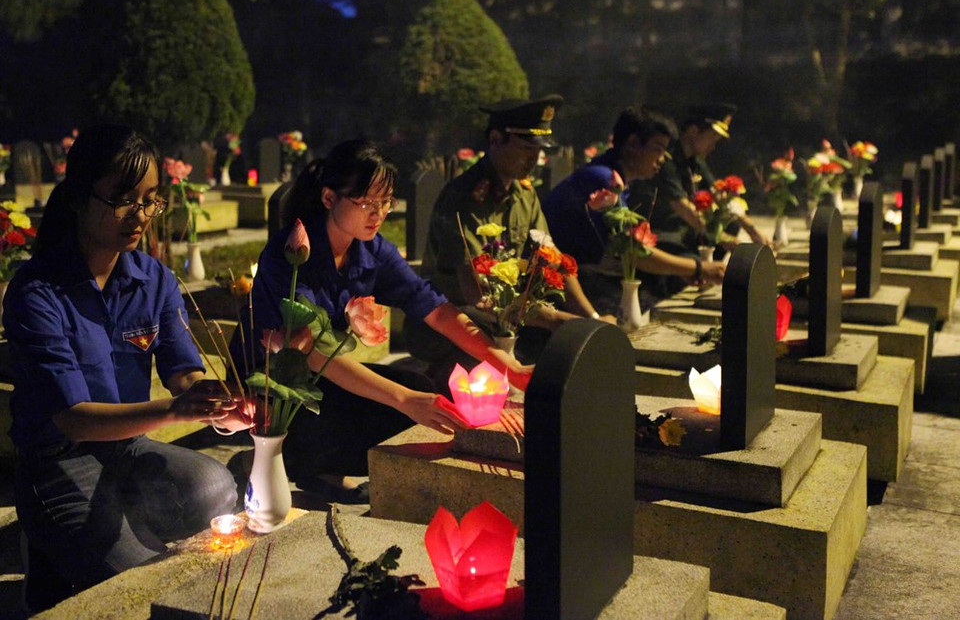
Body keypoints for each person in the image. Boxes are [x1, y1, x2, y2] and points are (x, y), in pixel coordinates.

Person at [4, 125, 249, 611]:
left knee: (215, 485)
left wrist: (215, 404)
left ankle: (88, 554)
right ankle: (68, 556)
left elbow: (183, 370)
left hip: (127, 447)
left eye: (150, 200)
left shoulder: (151, 276)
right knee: (147, 582)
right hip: (59, 462)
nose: (140, 216)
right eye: (123, 199)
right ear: (78, 198)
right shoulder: (38, 293)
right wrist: (177, 410)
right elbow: (74, 417)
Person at [235, 139, 530, 501]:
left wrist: (506, 364)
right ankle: (272, 458)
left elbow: (435, 309)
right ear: (329, 198)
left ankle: (320, 468)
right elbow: (309, 350)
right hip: (271, 381)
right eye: (366, 203)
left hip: (324, 374)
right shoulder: (292, 253)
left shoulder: (371, 249)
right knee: (400, 402)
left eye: (385, 203)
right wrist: (404, 399)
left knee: (418, 387)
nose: (378, 214)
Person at [411, 95, 613, 362]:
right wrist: (561, 321)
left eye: (539, 150)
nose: (535, 158)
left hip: (508, 322)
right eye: (527, 148)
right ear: (495, 139)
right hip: (453, 326)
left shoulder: (523, 193)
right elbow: (478, 295)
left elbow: (553, 260)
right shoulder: (465, 198)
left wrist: (593, 319)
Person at [543, 106, 726, 313]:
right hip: (561, 285)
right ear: (632, 144)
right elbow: (632, 252)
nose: (663, 158)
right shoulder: (603, 179)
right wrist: (699, 268)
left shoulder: (616, 177)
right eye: (658, 148)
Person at [649, 103, 772, 264]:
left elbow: (720, 195)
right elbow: (685, 209)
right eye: (713, 137)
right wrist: (723, 238)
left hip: (688, 230)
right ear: (694, 131)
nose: (714, 145)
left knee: (731, 221)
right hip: (665, 233)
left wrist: (752, 229)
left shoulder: (695, 161)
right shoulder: (667, 159)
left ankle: (709, 269)